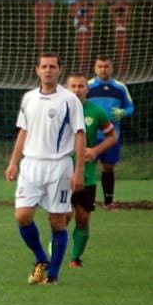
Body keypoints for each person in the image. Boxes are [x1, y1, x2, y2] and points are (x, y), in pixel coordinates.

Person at [5, 53, 85, 286]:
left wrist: (78, 170)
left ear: (60, 70)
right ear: (37, 70)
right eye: (44, 66)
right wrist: (13, 162)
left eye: (52, 66)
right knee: (22, 216)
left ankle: (53, 276)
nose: (48, 70)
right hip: (30, 165)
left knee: (57, 221)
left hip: (59, 166)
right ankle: (42, 259)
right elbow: (23, 131)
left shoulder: (70, 100)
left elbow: (80, 135)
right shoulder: (29, 98)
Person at [65, 73, 118, 268]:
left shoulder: (96, 111)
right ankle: (55, 256)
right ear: (67, 88)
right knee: (62, 217)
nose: (77, 90)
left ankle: (75, 259)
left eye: (80, 86)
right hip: (62, 173)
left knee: (82, 218)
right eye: (73, 86)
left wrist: (95, 150)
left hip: (87, 175)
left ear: (87, 89)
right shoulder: (59, 109)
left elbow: (112, 136)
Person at [87, 55, 134, 210]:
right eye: (100, 66)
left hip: (111, 136)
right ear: (95, 68)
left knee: (108, 167)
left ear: (112, 68)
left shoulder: (120, 87)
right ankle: (89, 202)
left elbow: (130, 107)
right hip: (91, 135)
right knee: (89, 167)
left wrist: (122, 113)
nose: (103, 69)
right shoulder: (88, 86)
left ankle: (108, 202)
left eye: (106, 66)